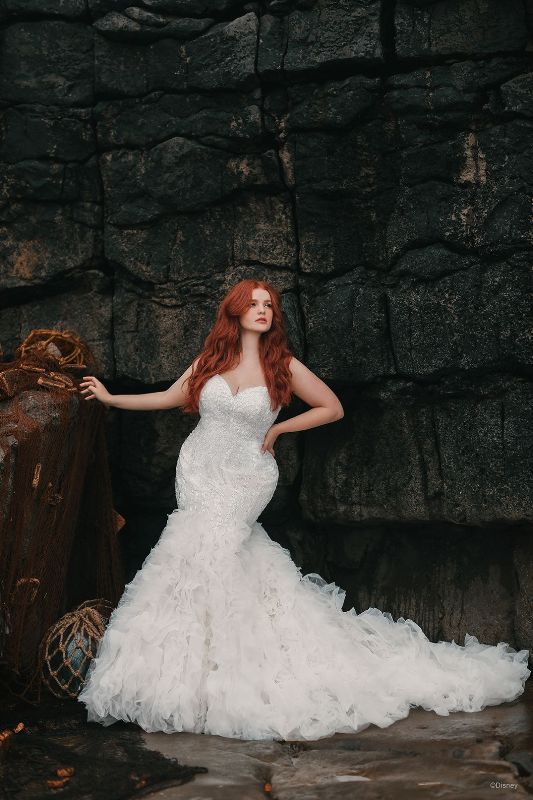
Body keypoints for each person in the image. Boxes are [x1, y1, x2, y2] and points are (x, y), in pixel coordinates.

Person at [77, 279, 530, 741]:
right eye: (252, 304)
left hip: (247, 476)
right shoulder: (211, 361)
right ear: (233, 312)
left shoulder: (283, 365)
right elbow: (169, 397)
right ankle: (185, 676)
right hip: (199, 469)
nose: (261, 311)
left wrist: (277, 432)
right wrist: (112, 398)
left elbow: (331, 407)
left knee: (216, 544)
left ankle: (224, 678)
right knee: (193, 552)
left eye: (268, 305)